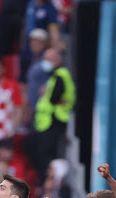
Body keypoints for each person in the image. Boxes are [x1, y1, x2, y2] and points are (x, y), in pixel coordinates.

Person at [32, 48, 74, 179]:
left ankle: (50, 179)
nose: (45, 62)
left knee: (47, 154)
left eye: (48, 59)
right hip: (48, 121)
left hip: (55, 119)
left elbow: (54, 97)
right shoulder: (55, 75)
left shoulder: (60, 75)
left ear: (57, 60)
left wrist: (47, 93)